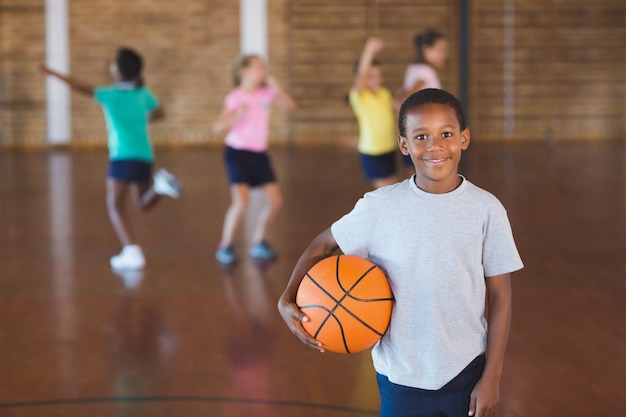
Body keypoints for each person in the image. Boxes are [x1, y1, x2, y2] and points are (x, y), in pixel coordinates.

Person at [278, 89, 523, 417]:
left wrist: (492, 375)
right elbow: (323, 245)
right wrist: (288, 297)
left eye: (446, 134)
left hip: (468, 371)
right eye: (421, 136)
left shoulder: (486, 209)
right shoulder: (380, 207)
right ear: (404, 144)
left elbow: (501, 294)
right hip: (400, 378)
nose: (435, 146)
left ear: (464, 138)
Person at [41, 47, 183, 270]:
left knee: (115, 204)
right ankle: (160, 187)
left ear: (118, 71)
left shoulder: (111, 95)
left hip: (122, 155)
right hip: (145, 154)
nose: (110, 67)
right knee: (141, 203)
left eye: (113, 64)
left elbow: (79, 86)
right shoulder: (142, 94)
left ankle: (132, 251)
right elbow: (161, 112)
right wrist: (143, 119)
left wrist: (53, 73)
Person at [213, 54, 296, 266]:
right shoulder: (235, 97)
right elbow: (217, 127)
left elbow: (289, 107)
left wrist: (277, 87)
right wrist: (236, 115)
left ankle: (259, 241)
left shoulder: (266, 94)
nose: (264, 72)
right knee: (241, 202)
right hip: (237, 153)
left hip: (259, 154)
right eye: (259, 68)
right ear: (245, 71)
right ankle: (225, 246)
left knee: (276, 202)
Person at [348, 37, 399, 188]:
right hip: (372, 152)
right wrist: (369, 50)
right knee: (386, 193)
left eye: (378, 75)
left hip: (389, 148)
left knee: (394, 188)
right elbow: (361, 76)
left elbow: (395, 111)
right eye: (371, 76)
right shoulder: (359, 96)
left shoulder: (384, 93)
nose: (376, 79)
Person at [396, 29, 449, 104]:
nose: (444, 55)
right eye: (441, 50)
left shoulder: (414, 67)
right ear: (426, 49)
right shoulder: (425, 71)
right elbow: (408, 97)